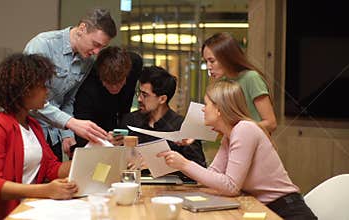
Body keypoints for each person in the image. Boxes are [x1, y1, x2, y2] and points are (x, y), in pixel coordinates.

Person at [158, 80, 317, 220]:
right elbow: (211, 175)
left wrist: (185, 164)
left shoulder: (244, 130)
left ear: (219, 109)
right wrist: (177, 163)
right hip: (264, 207)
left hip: (287, 211)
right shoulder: (230, 135)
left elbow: (231, 187)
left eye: (206, 104)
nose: (203, 109)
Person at [0, 54, 78, 220]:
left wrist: (88, 159)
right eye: (43, 86)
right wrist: (45, 190)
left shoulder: (34, 125)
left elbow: (52, 168)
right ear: (25, 90)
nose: (47, 91)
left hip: (24, 211)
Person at [23, 8, 117, 161]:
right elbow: (29, 97)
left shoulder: (86, 61)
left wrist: (67, 134)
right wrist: (71, 123)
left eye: (102, 47)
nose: (97, 52)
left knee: (55, 181)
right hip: (28, 131)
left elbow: (67, 100)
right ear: (82, 28)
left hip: (53, 135)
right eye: (95, 44)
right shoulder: (43, 45)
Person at [120, 66, 206, 169]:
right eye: (139, 93)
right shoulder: (130, 121)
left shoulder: (183, 127)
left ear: (162, 99)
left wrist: (158, 165)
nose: (139, 99)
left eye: (145, 95)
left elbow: (199, 168)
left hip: (171, 184)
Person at [72, 46, 143, 153]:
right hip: (95, 120)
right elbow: (83, 132)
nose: (114, 88)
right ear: (100, 77)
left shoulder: (135, 64)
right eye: (109, 83)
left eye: (119, 82)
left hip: (123, 111)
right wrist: (103, 141)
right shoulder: (86, 87)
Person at [202, 32, 277, 133]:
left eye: (212, 61)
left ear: (226, 57)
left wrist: (236, 131)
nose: (208, 66)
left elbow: (271, 123)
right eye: (206, 61)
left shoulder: (251, 78)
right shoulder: (223, 83)